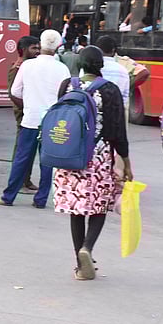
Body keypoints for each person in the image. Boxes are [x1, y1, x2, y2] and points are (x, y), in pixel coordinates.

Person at [52, 47, 132, 280]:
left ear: (80, 63)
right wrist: (125, 162)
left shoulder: (67, 85)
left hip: (70, 154)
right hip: (98, 156)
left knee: (76, 208)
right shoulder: (109, 89)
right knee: (99, 206)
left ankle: (79, 261)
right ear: (101, 65)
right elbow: (118, 130)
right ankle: (88, 247)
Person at [0, 29, 70, 208]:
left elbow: (15, 92)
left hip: (30, 119)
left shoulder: (27, 66)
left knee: (22, 158)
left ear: (41, 44)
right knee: (48, 161)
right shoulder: (62, 68)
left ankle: (8, 196)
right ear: (58, 46)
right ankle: (41, 199)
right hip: (52, 121)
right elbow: (66, 96)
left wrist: (27, 106)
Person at [7, 35, 41, 191]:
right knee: (21, 149)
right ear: (23, 50)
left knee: (30, 149)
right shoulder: (17, 69)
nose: (37, 51)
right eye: (34, 48)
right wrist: (27, 108)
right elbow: (13, 94)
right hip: (23, 113)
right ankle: (19, 181)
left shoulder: (31, 66)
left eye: (38, 48)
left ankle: (25, 180)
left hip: (30, 112)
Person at [95, 36, 131, 109]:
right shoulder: (123, 70)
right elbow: (124, 97)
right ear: (113, 50)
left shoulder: (89, 67)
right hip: (115, 113)